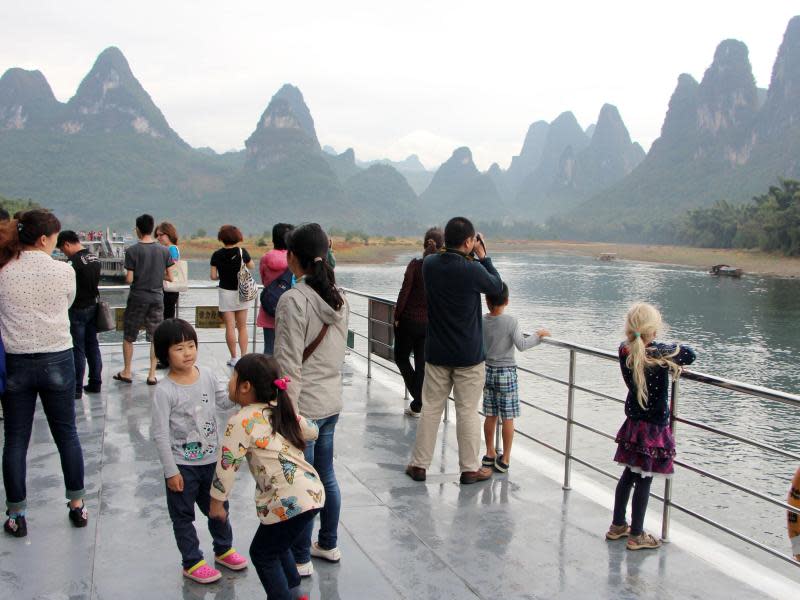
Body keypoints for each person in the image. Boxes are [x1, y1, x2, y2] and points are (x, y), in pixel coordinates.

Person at [0, 209, 87, 537]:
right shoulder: (64, 271)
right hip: (57, 359)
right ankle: (77, 505)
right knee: (67, 435)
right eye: (53, 238)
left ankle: (17, 514)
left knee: (16, 440)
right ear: (42, 239)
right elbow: (68, 303)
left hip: (16, 362)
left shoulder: (3, 269)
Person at [209, 354, 323, 600]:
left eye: (233, 377)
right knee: (278, 546)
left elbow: (227, 464)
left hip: (287, 499)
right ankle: (296, 593)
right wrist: (293, 415)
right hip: (311, 494)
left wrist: (217, 502)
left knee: (263, 553)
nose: (229, 383)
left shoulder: (241, 420)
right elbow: (312, 430)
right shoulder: (278, 411)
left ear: (245, 386)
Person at [273, 223, 349, 577]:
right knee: (326, 475)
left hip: (304, 409)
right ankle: (328, 543)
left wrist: (286, 414)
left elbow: (288, 367)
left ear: (292, 258)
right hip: (330, 401)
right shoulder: (339, 297)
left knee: (302, 483)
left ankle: (301, 556)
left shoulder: (293, 301)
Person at [406, 216, 503, 485]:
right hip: (468, 356)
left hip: (436, 352)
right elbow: (496, 287)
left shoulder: (429, 265)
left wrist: (471, 255)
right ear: (469, 241)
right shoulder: (472, 270)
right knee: (468, 412)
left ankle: (419, 465)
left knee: (431, 410)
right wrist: (484, 258)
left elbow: (444, 259)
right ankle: (470, 469)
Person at [151, 318, 248, 583]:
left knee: (218, 508)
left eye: (191, 345)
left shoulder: (206, 374)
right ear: (164, 354)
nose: (187, 352)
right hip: (182, 465)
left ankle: (224, 549)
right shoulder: (164, 391)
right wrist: (171, 471)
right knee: (182, 517)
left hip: (211, 461)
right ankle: (192, 561)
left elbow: (224, 401)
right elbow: (159, 434)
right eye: (179, 348)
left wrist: (244, 392)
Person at [606, 302, 696, 550]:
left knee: (629, 475)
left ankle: (617, 525)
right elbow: (689, 354)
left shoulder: (625, 349)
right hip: (653, 427)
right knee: (644, 479)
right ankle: (636, 535)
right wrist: (663, 345)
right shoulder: (658, 353)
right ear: (653, 329)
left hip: (633, 423)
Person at [480, 282, 550, 472]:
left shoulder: (481, 320)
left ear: (486, 301)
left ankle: (489, 453)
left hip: (487, 371)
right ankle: (506, 459)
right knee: (508, 418)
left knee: (490, 415)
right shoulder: (511, 321)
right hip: (506, 374)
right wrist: (538, 335)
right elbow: (522, 344)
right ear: (507, 301)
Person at [114, 214, 174, 386]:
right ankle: (152, 374)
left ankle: (126, 371)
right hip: (157, 297)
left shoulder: (132, 251)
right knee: (155, 337)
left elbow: (130, 279)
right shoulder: (164, 251)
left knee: (129, 335)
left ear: (138, 230)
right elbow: (170, 277)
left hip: (138, 297)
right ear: (152, 229)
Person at [393, 227, 443, 417]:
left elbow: (404, 292)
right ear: (442, 246)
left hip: (408, 322)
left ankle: (420, 400)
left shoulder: (415, 265)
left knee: (401, 358)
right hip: (428, 324)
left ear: (424, 244)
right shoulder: (442, 271)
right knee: (421, 364)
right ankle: (419, 402)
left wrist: (396, 316)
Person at [57, 230, 102, 399]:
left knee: (78, 349)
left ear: (67, 244)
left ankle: (76, 388)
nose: (64, 252)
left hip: (77, 310)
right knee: (93, 345)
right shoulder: (94, 258)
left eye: (63, 249)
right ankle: (96, 382)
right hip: (93, 307)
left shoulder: (73, 263)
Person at [210, 225, 253, 366]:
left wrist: (221, 276)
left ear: (221, 238)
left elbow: (213, 276)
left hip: (225, 293)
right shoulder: (242, 252)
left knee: (229, 326)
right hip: (242, 292)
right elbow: (251, 266)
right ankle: (244, 357)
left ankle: (234, 357)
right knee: (242, 327)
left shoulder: (216, 255)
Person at [256, 223, 294, 356]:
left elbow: (263, 279)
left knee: (269, 349)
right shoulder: (295, 259)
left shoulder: (266, 258)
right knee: (290, 350)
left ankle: (267, 376)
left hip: (270, 306)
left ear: (274, 239)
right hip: (290, 308)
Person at [155, 222, 181, 320]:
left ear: (168, 234)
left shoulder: (172, 249)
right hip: (167, 289)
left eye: (161, 235)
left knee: (167, 318)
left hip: (169, 290)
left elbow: (171, 268)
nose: (158, 237)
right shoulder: (168, 249)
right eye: (157, 235)